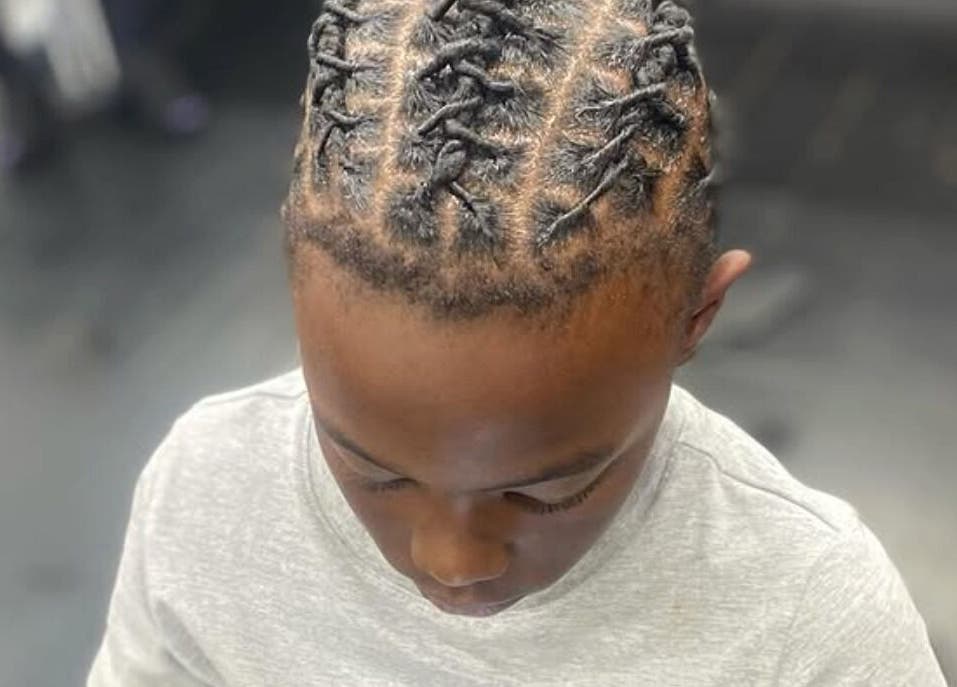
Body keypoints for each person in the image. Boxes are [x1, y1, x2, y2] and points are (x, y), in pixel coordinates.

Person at [87, 1, 947, 685]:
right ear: (291, 272)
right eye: (374, 472)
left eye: (550, 490)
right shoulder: (206, 495)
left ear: (696, 315)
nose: (452, 562)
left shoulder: (813, 621)